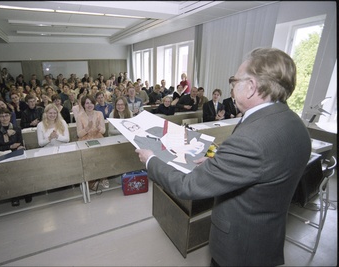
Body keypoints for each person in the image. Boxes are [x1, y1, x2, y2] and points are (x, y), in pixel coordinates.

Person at [135, 47, 312, 266]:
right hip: (266, 237)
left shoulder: (252, 140)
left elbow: (188, 186)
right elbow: (263, 162)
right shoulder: (295, 125)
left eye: (234, 80)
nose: (231, 86)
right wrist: (219, 158)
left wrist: (151, 159)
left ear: (251, 87)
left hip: (239, 248)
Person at [0, 108, 30, 207]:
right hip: (2, 156)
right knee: (10, 176)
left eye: (6, 115)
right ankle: (14, 196)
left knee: (22, 173)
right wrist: (9, 146)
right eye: (2, 116)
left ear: (10, 116)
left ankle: (26, 192)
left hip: (16, 154)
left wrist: (20, 147)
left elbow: (20, 142)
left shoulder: (16, 128)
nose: (4, 118)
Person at [76, 95, 107, 190]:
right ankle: (91, 181)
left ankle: (103, 178)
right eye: (87, 103)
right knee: (90, 162)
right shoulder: (79, 116)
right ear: (84, 105)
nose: (90, 105)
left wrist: (98, 128)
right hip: (86, 141)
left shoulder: (99, 114)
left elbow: (103, 131)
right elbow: (79, 134)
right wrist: (87, 128)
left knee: (102, 159)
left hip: (98, 138)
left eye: (91, 103)